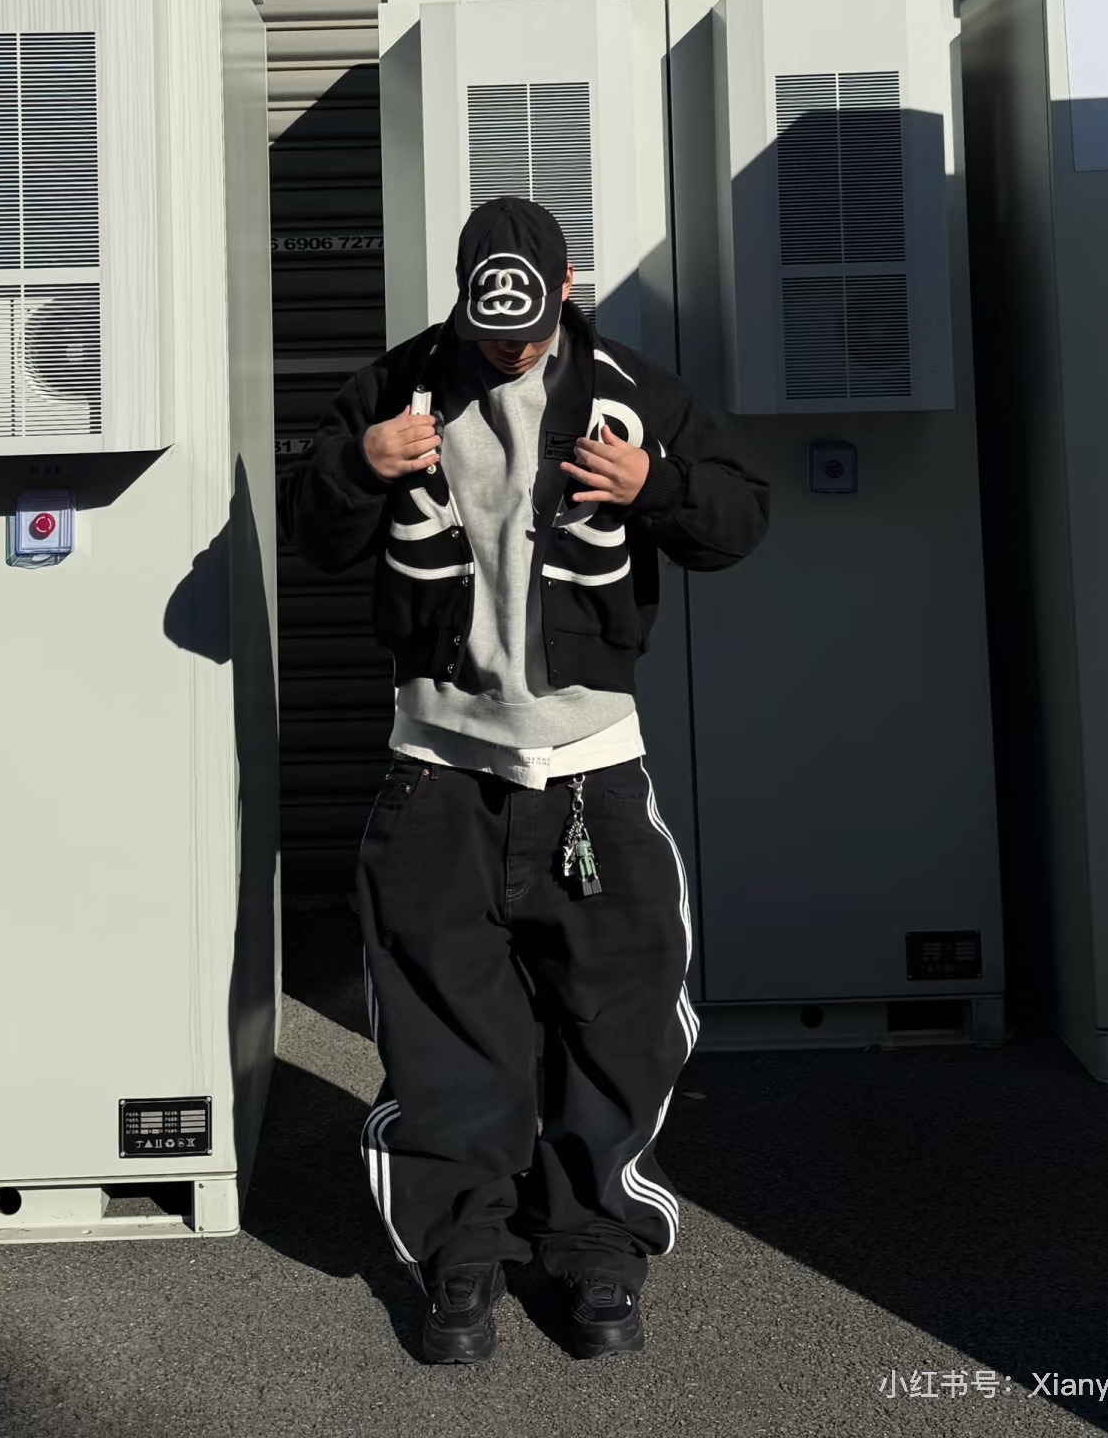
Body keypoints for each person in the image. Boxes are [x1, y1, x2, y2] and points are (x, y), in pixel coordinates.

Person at [289, 195, 769, 1364]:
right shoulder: (396, 386)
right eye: (486, 330)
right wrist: (356, 466)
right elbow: (315, 534)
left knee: (619, 1023)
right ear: (462, 299)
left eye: (528, 330)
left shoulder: (631, 389)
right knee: (445, 1029)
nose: (508, 353)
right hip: (436, 766)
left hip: (591, 768)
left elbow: (741, 519)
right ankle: (461, 1256)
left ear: (563, 289)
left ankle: (596, 1248)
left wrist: (656, 486)